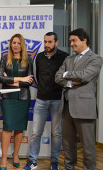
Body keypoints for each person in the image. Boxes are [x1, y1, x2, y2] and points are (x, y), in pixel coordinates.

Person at [55, 28, 103, 170]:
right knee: (68, 145)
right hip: (66, 107)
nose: (71, 44)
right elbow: (57, 76)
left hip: (84, 108)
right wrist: (69, 81)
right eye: (70, 41)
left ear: (84, 40)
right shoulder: (68, 59)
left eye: (74, 40)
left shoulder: (95, 58)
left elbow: (84, 76)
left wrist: (67, 73)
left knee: (88, 147)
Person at [23, 32, 68, 170]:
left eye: (50, 42)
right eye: (45, 42)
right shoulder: (40, 57)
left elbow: (65, 78)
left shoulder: (64, 57)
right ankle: (33, 161)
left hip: (57, 101)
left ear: (56, 42)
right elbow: (38, 76)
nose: (47, 45)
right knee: (36, 133)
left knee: (56, 134)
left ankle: (54, 162)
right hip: (41, 100)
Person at [0, 33, 33, 170]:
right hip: (8, 98)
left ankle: (16, 155)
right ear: (10, 45)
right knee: (7, 127)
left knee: (19, 128)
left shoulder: (28, 60)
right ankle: (3, 158)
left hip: (23, 98)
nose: (16, 45)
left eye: (18, 43)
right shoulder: (4, 59)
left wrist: (11, 80)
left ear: (22, 45)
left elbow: (28, 82)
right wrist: (20, 79)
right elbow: (1, 79)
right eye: (14, 43)